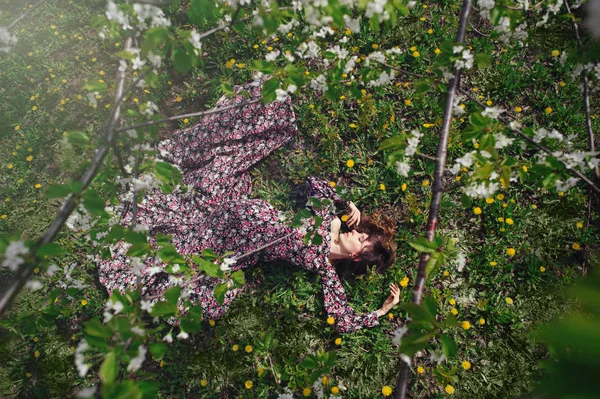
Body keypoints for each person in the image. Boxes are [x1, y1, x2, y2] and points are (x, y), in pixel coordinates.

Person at [97, 78, 399, 333]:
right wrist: (343, 203)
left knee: (192, 278)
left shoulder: (326, 268)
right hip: (231, 214)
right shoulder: (331, 220)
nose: (358, 232)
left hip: (235, 248)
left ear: (359, 258)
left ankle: (142, 271)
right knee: (204, 188)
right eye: (363, 232)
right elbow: (312, 183)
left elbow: (342, 319)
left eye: (363, 239)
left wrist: (382, 311)